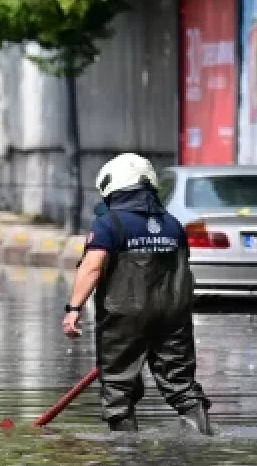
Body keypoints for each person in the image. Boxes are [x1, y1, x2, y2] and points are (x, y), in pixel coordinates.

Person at [61, 153, 213, 435]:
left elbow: (92, 268)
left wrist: (73, 309)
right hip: (173, 316)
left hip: (124, 318)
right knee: (181, 384)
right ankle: (201, 439)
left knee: (118, 388)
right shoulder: (172, 225)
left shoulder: (109, 224)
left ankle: (126, 456)